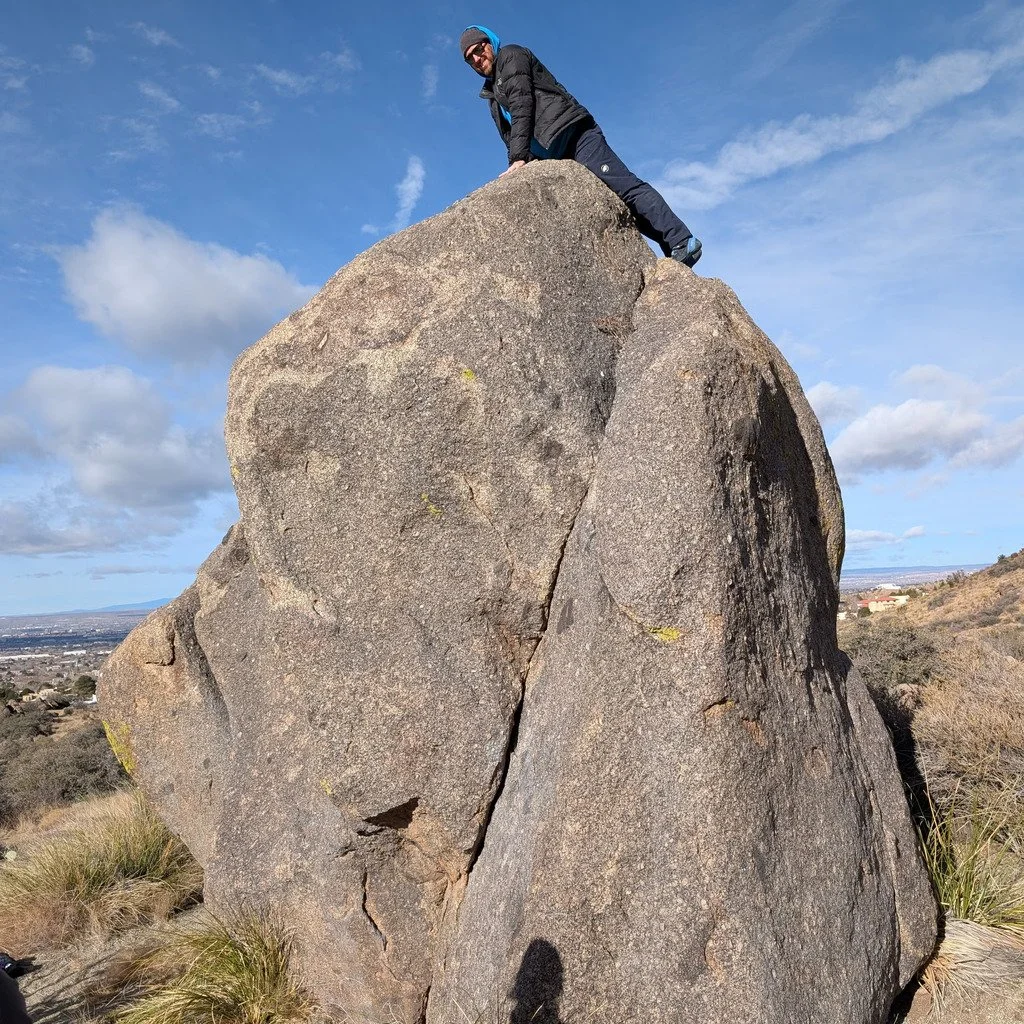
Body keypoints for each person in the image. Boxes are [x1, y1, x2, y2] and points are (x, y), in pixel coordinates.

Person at [460, 25, 702, 267]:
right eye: (470, 59)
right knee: (615, 205)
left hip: (574, 136)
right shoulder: (490, 95)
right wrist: (520, 161)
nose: (477, 59)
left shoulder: (511, 56)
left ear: (490, 43)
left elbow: (522, 103)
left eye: (479, 50)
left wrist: (518, 158)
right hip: (551, 155)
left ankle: (681, 240)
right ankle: (674, 254)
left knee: (623, 187)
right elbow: (509, 134)